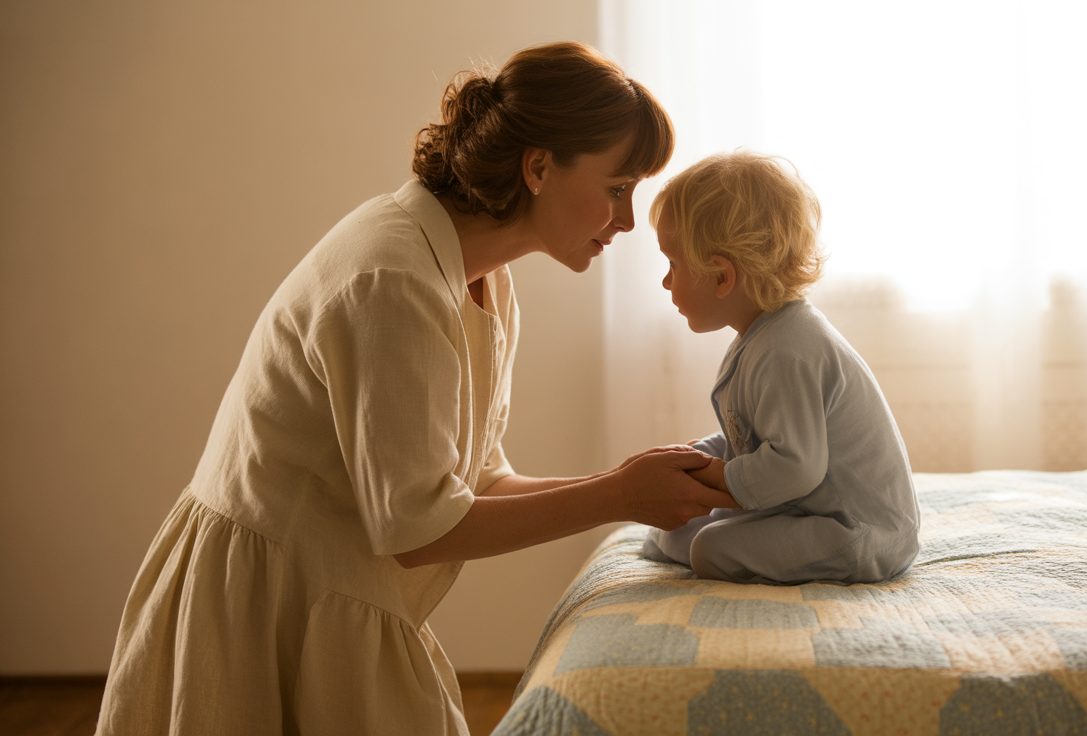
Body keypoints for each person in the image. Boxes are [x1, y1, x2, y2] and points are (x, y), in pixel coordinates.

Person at [96, 42, 737, 736]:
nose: (628, 220)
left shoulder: (481, 276)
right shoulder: (395, 278)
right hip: (267, 605)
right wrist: (618, 495)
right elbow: (416, 528)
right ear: (540, 167)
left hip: (330, 593)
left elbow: (479, 483)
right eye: (618, 188)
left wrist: (631, 484)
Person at [640, 151, 921, 585]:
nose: (666, 281)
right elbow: (754, 432)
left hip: (856, 532)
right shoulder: (764, 335)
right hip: (812, 511)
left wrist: (717, 475)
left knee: (708, 547)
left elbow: (794, 466)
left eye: (673, 264)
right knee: (679, 533)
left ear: (721, 277)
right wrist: (701, 454)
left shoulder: (788, 351)